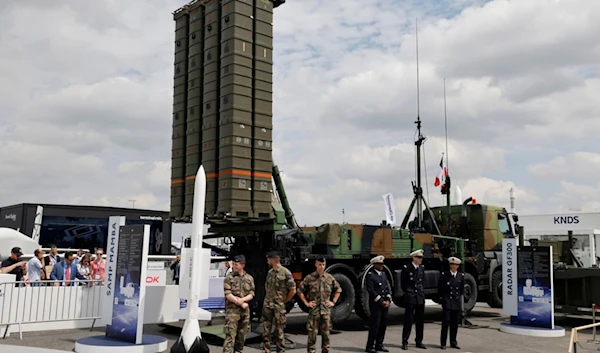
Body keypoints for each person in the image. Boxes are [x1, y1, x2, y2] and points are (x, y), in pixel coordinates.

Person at [297, 256, 341, 353]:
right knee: (312, 335)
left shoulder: (329, 278)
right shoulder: (310, 278)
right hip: (314, 311)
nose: (321, 267)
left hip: (325, 311)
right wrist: (306, 303)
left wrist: (333, 302)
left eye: (323, 264)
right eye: (319, 264)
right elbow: (300, 291)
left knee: (326, 335)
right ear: (316, 265)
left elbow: (338, 289)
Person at [262, 250, 296, 353]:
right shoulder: (270, 272)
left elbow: (293, 290)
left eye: (268, 258)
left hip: (279, 306)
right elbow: (267, 286)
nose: (267, 260)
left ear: (273, 259)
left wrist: (285, 300)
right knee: (266, 330)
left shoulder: (285, 272)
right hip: (268, 304)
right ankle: (266, 350)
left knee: (279, 331)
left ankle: (280, 351)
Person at [223, 254, 255, 353]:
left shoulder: (249, 278)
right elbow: (227, 294)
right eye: (234, 264)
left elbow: (252, 293)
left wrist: (243, 300)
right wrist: (240, 302)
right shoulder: (229, 278)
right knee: (230, 336)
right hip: (232, 311)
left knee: (242, 336)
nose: (234, 266)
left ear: (242, 265)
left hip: (245, 311)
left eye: (237, 264)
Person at [364, 255, 392, 353]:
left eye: (382, 264)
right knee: (375, 325)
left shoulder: (383, 275)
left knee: (383, 325)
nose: (381, 265)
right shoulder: (370, 275)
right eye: (379, 264)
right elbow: (371, 291)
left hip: (384, 304)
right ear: (374, 264)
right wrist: (381, 301)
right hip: (376, 304)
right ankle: (370, 346)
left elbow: (387, 288)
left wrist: (388, 299)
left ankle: (379, 344)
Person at [401, 249, 426, 350]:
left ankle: (419, 341)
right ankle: (405, 341)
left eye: (421, 258)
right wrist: (409, 293)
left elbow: (423, 281)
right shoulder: (407, 268)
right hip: (411, 296)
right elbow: (403, 283)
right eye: (419, 257)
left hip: (419, 297)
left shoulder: (422, 268)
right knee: (408, 320)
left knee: (420, 321)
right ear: (414, 258)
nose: (420, 260)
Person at [438, 257, 463, 350]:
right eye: (452, 265)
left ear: (458, 266)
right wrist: (444, 300)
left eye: (455, 265)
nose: (453, 266)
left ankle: (453, 342)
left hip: (456, 302)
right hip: (447, 301)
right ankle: (443, 343)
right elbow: (440, 289)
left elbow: (461, 290)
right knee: (445, 323)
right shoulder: (445, 275)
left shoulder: (460, 276)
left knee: (455, 323)